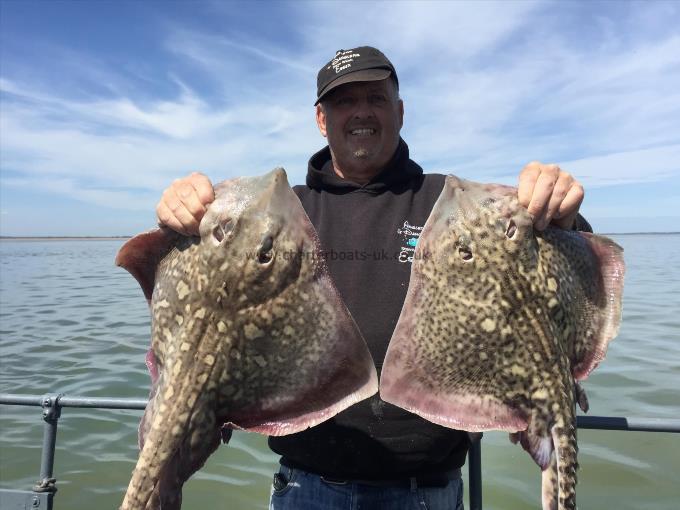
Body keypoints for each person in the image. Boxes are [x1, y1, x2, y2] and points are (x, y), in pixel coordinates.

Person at [155, 47, 588, 510]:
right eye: (344, 101)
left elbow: (552, 264)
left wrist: (562, 213)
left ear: (400, 112)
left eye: (376, 98)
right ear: (322, 119)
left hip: (427, 490)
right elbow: (201, 300)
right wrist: (181, 214)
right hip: (305, 487)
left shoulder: (451, 204)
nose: (361, 111)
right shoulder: (279, 215)